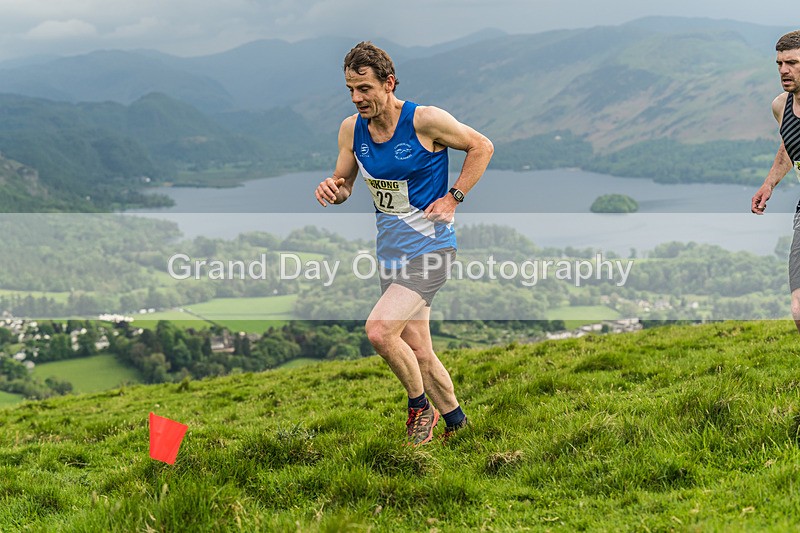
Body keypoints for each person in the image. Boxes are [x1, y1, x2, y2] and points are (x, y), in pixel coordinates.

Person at [314, 41, 493, 446]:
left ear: (389, 83)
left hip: (432, 249)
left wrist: (453, 198)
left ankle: (420, 408)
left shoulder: (425, 120)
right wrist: (333, 190)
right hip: (391, 254)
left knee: (380, 331)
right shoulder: (351, 129)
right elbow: (344, 185)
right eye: (351, 90)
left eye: (365, 88)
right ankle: (459, 426)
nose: (357, 98)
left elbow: (482, 146)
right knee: (418, 349)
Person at [752, 30, 800, 334]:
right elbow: (789, 145)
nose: (784, 70)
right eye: (780, 63)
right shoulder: (781, 106)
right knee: (798, 307)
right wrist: (769, 184)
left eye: (792, 63)